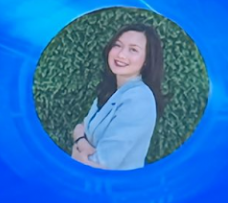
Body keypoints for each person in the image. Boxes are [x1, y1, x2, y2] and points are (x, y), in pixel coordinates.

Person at [70, 24, 164, 170]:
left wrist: (77, 149)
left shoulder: (139, 99)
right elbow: (80, 128)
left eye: (133, 50)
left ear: (146, 60)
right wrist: (81, 141)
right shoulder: (112, 90)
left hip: (111, 184)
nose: (121, 54)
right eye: (117, 45)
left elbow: (99, 165)